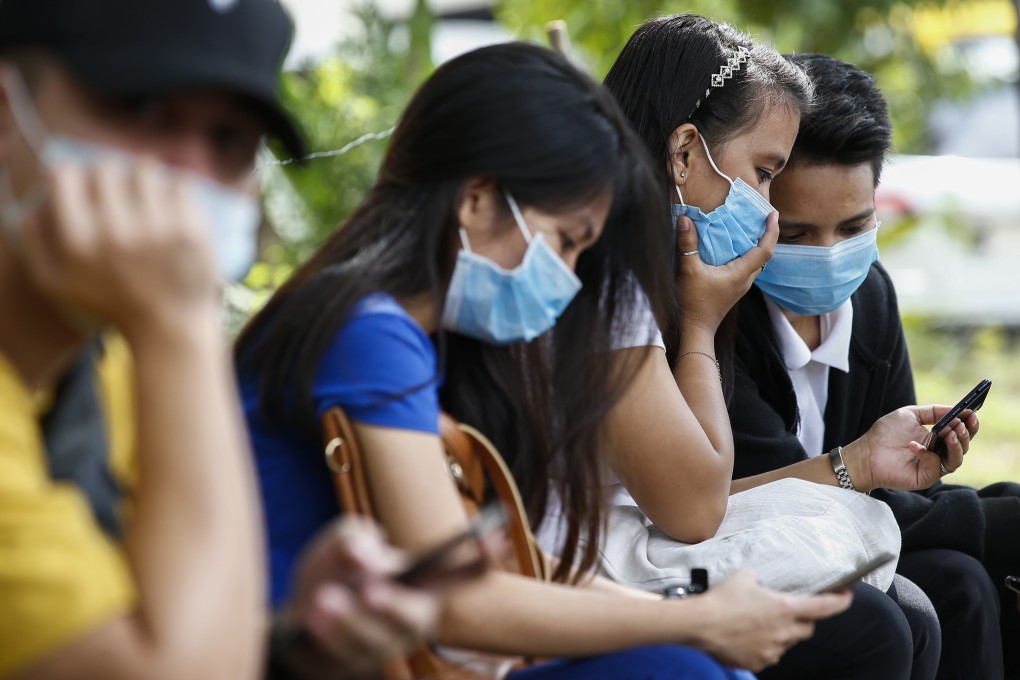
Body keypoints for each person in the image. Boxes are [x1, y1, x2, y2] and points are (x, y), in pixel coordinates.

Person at [236, 41, 855, 678]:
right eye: (564, 241)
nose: (565, 280)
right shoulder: (372, 333)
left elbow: (505, 564)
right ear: (476, 199)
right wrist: (696, 620)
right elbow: (459, 599)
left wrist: (689, 615)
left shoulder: (415, 338)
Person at [0, 1, 437, 678]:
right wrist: (182, 321)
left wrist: (293, 640)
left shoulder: (110, 360)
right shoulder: (159, 340)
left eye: (231, 141)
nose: (188, 175)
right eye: (144, 110)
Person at [595, 14, 981, 679]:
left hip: (642, 553)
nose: (768, 213)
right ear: (685, 153)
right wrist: (700, 326)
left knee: (936, 596)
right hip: (607, 573)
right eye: (767, 173)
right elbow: (699, 507)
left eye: (856, 224)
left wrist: (860, 461)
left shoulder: (863, 297)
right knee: (879, 623)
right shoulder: (628, 296)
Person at [729, 52, 1020, 680]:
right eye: (799, 234)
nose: (830, 256)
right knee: (906, 607)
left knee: (964, 584)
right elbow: (775, 507)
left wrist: (925, 469)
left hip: (852, 550)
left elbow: (893, 492)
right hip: (752, 557)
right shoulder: (717, 322)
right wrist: (995, 516)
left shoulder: (870, 295)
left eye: (854, 225)